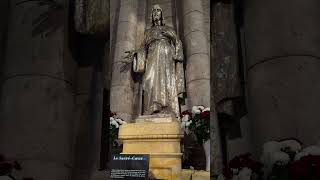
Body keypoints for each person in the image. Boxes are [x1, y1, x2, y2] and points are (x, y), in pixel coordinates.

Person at [123, 4, 185, 118]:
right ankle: (151, 108)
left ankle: (166, 108)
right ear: (151, 15)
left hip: (166, 58)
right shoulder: (148, 32)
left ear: (161, 14)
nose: (156, 13)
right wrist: (135, 53)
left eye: (158, 11)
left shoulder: (169, 29)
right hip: (151, 57)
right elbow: (143, 49)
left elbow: (178, 43)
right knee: (149, 80)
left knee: (165, 81)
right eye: (154, 11)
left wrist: (172, 37)